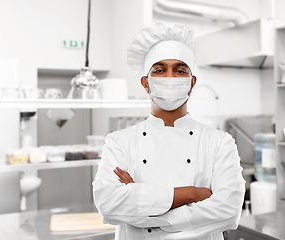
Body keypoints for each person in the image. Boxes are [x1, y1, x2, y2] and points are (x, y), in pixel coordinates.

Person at [92, 21, 246, 240]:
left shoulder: (220, 142)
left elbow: (229, 211)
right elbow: (108, 205)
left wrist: (142, 205)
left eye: (180, 70)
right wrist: (192, 193)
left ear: (192, 83)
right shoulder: (120, 141)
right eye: (160, 70)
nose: (170, 78)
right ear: (146, 83)